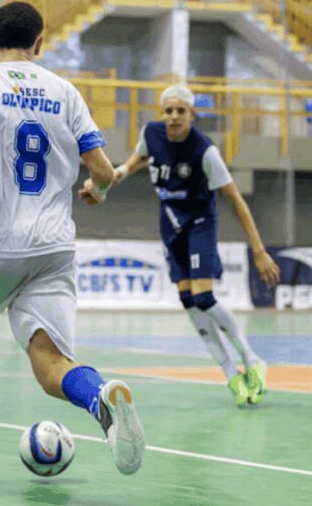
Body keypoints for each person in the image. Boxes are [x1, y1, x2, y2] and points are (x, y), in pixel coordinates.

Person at [0, 1, 144, 487]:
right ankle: (98, 395)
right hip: (53, 249)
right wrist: (95, 191)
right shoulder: (66, 92)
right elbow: (103, 171)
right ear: (40, 44)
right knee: (52, 365)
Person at [88, 84, 281, 408]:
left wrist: (259, 250)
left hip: (200, 223)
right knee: (189, 301)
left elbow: (236, 200)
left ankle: (253, 359)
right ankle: (231, 374)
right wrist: (113, 176)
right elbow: (138, 159)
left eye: (181, 111)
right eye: (168, 110)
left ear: (192, 115)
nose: (174, 116)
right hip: (170, 225)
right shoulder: (152, 134)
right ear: (161, 114)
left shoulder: (205, 151)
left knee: (203, 296)